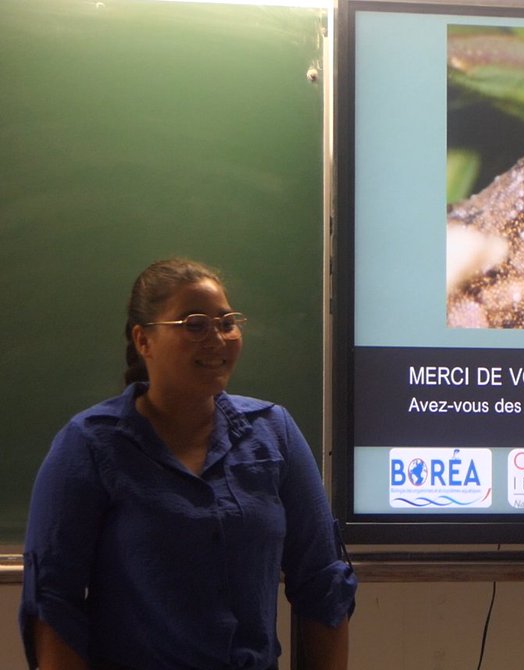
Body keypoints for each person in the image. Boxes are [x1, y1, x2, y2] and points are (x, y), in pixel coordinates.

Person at [20, 258, 356, 670]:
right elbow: (53, 601)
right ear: (143, 340)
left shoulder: (274, 433)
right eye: (194, 325)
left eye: (227, 323)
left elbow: (322, 583)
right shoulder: (90, 444)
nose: (216, 338)